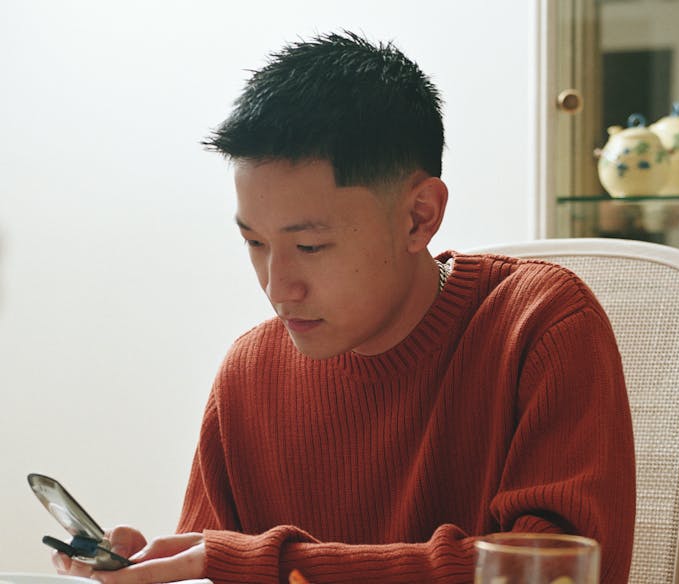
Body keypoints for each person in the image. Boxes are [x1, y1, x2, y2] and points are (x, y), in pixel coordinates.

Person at [55, 31, 635, 583]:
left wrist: (271, 568)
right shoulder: (248, 375)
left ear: (419, 217)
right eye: (254, 243)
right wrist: (157, 570)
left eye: (310, 246)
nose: (278, 287)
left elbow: (557, 570)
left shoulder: (541, 324)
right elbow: (221, 563)